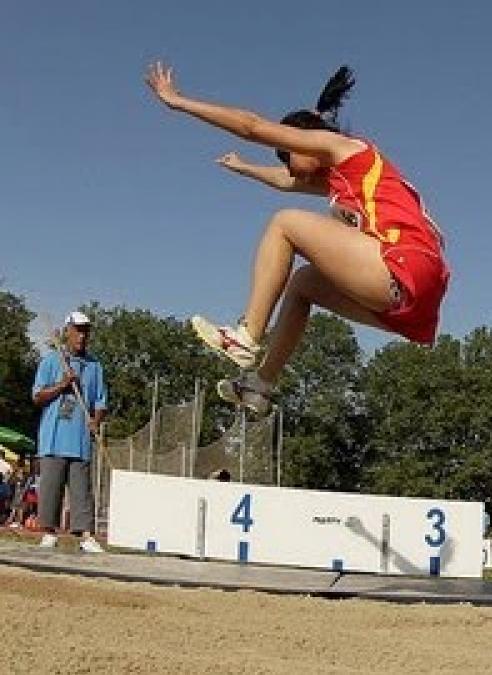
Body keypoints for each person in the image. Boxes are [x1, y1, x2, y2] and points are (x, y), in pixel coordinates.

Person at [145, 62, 450, 414]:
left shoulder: (340, 146)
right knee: (302, 283)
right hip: (415, 296)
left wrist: (179, 102)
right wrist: (245, 168)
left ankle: (247, 336)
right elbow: (288, 181)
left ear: (302, 139)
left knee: (284, 223)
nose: (288, 167)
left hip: (402, 265)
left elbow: (253, 127)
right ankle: (260, 386)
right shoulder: (349, 176)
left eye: (285, 154)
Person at [31, 312, 107, 553]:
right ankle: (49, 532)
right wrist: (62, 385)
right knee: (51, 488)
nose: (82, 336)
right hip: (53, 438)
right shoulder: (52, 360)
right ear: (68, 331)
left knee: (82, 490)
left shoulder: (95, 366)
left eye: (85, 331)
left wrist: (96, 421)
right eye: (77, 330)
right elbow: (37, 396)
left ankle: (85, 536)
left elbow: (101, 403)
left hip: (80, 439)